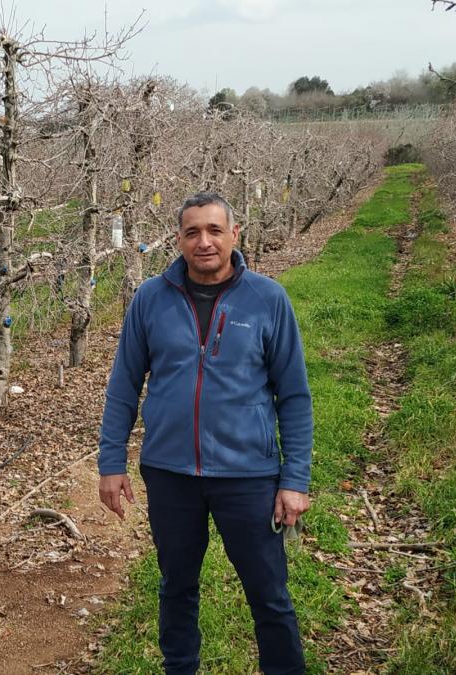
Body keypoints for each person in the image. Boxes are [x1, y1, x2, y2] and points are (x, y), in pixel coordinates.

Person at [98, 192, 312, 674]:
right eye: (192, 232)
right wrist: (111, 464)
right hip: (170, 473)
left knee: (268, 592)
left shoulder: (266, 299)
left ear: (235, 235)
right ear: (178, 240)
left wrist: (295, 480)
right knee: (176, 586)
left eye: (215, 230)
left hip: (248, 475)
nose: (204, 241)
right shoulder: (150, 298)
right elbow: (123, 387)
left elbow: (294, 396)